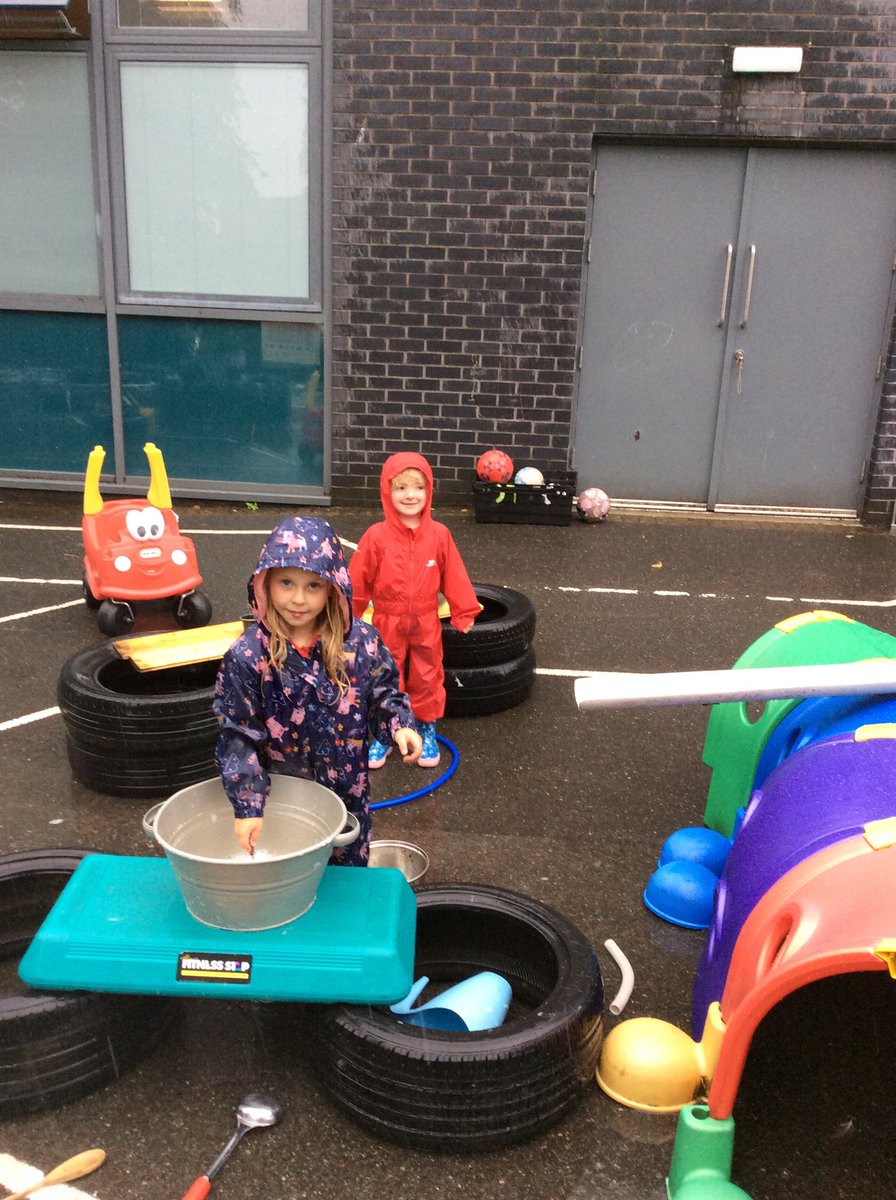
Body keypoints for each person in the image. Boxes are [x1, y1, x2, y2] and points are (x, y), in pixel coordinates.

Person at [214, 516, 422, 860]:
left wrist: (400, 725)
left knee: (347, 878)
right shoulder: (248, 656)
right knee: (293, 875)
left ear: (333, 587)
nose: (298, 599)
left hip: (348, 797)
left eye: (313, 585)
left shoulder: (363, 644)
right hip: (286, 800)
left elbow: (384, 695)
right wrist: (248, 805)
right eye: (286, 582)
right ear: (264, 582)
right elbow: (238, 735)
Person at [349, 451, 480, 770]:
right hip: (385, 621)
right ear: (387, 492)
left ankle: (426, 726)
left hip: (426, 619)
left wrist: (463, 611)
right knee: (384, 674)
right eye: (401, 487)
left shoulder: (439, 535)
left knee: (427, 673)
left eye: (418, 487)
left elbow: (455, 575)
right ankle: (385, 732)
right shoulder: (376, 536)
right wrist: (346, 619)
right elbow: (357, 579)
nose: (410, 495)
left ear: (429, 491)